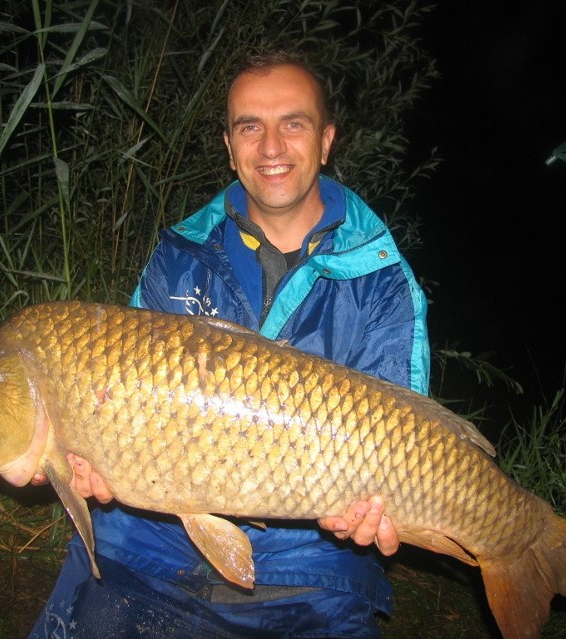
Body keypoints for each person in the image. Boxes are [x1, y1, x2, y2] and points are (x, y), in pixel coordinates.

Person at [29, 51, 430, 639]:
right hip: (154, 538)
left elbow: (407, 443)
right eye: (250, 126)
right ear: (229, 143)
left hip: (313, 560)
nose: (270, 146)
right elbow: (119, 408)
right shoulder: (178, 256)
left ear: (326, 140)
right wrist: (85, 458)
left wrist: (378, 512)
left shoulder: (384, 283)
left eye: (292, 123)